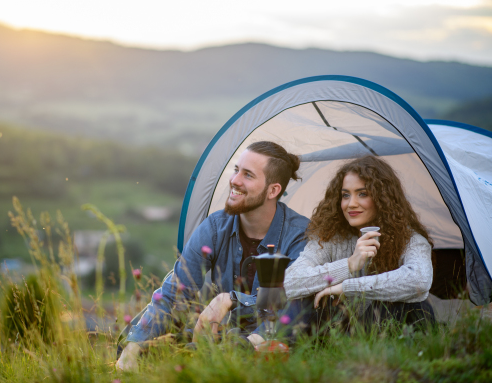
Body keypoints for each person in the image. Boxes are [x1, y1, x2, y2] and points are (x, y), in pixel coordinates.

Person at [117, 141, 309, 370]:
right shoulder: (216, 227)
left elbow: (295, 303)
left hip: (272, 339)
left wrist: (231, 299)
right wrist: (132, 350)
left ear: (273, 190)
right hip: (225, 336)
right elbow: (175, 292)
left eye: (247, 175)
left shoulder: (299, 235)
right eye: (237, 170)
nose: (235, 180)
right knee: (131, 341)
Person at [246, 155, 435, 347]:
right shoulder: (328, 239)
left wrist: (346, 287)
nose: (351, 203)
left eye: (362, 194)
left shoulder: (411, 241)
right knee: (306, 295)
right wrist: (349, 264)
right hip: (339, 332)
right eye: (345, 195)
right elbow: (289, 283)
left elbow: (419, 280)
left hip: (390, 337)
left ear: (383, 198)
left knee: (407, 302)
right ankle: (255, 344)